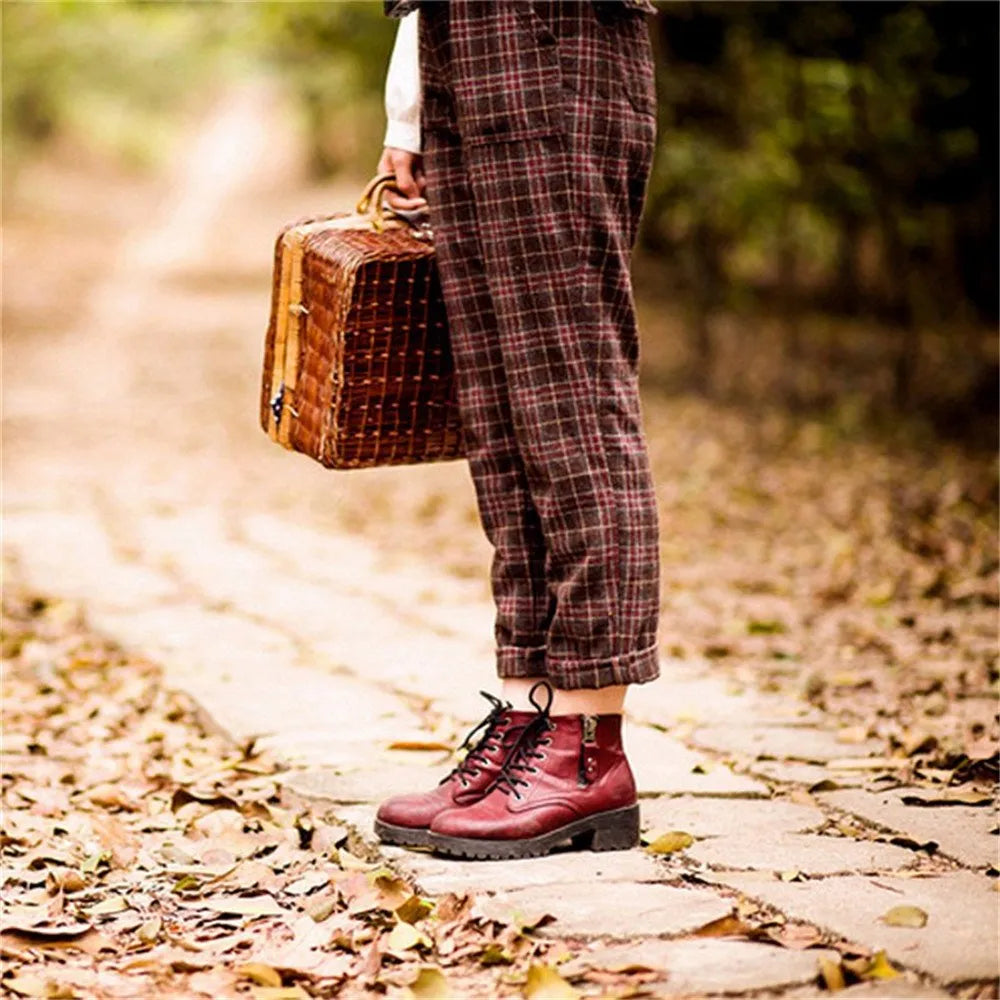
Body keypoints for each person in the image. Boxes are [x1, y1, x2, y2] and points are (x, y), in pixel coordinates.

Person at [373, 0, 660, 861]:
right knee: (503, 417)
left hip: (556, 33)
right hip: (457, 39)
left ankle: (586, 751)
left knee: (571, 403)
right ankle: (531, 716)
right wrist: (410, 104)